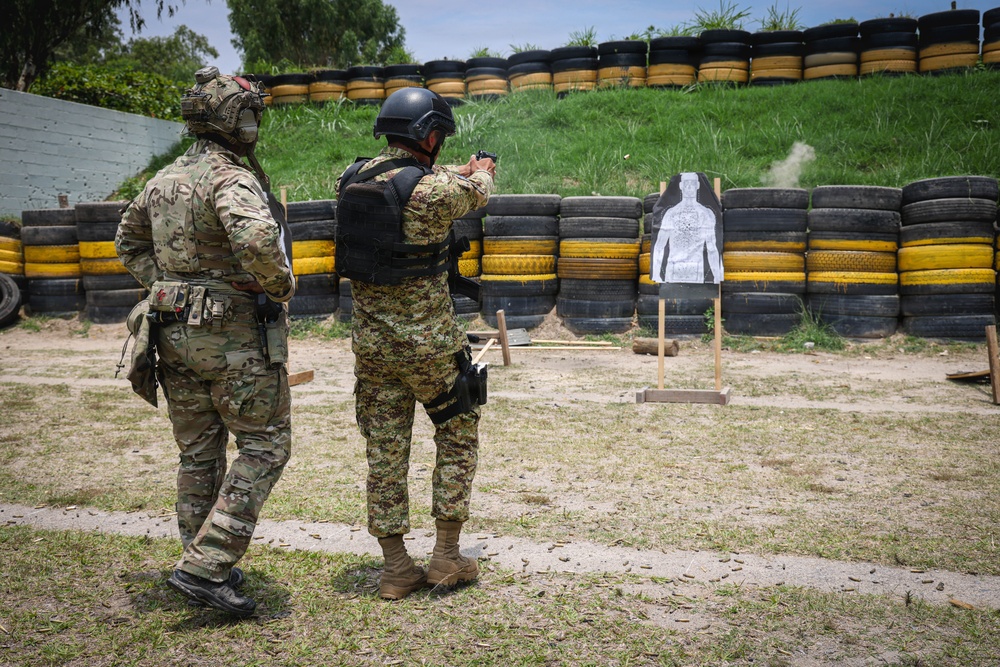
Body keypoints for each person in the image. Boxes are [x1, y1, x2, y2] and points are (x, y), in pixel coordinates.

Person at [116, 66, 295, 617]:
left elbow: (127, 241)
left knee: (198, 453)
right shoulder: (229, 178)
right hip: (233, 338)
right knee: (265, 445)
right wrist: (279, 284)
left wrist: (169, 288)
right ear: (231, 120)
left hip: (172, 336)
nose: (255, 123)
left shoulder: (161, 179)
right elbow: (259, 239)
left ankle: (199, 558)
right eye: (251, 114)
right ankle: (207, 562)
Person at [335, 88, 496, 600]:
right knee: (457, 432)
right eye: (439, 137)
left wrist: (453, 171)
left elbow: (408, 178)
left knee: (384, 451)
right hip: (429, 348)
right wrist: (482, 168)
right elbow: (476, 193)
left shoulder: (348, 180)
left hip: (373, 348)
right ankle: (446, 558)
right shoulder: (435, 191)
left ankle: (395, 568)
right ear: (428, 135)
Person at [652, 172, 723, 284]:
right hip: (673, 270)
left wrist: (717, 276)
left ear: (697, 186)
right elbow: (660, 245)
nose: (689, 187)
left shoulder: (706, 214)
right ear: (681, 186)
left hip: (697, 271)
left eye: (692, 183)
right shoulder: (671, 213)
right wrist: (656, 273)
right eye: (686, 184)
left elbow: (712, 248)